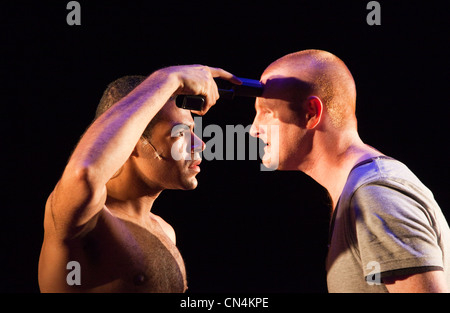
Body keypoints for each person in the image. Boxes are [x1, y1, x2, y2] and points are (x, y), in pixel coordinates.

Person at [249, 49, 450, 292]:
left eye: (267, 113)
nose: (254, 129)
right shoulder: (360, 191)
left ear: (311, 113)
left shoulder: (374, 195)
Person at [38, 65, 241, 292]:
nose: (200, 144)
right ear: (131, 143)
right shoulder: (84, 221)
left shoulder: (164, 231)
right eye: (181, 133)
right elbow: (83, 174)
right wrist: (168, 78)